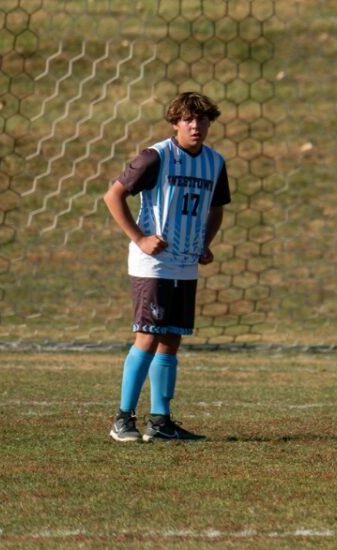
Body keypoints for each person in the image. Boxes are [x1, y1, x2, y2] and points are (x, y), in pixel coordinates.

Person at [103, 91, 231, 442]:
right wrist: (140, 238)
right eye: (188, 119)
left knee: (171, 340)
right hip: (153, 265)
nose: (196, 126)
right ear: (175, 122)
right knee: (147, 336)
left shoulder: (214, 162)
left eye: (202, 119)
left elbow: (216, 206)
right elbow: (112, 196)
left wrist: (204, 243)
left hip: (186, 264)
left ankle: (160, 422)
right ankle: (123, 420)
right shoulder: (155, 157)